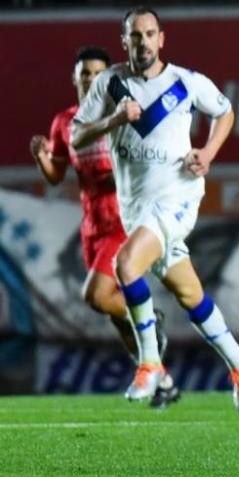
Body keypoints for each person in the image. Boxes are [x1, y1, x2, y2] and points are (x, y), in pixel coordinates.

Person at [72, 6, 239, 412]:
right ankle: (238, 359)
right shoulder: (110, 83)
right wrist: (113, 119)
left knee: (125, 265)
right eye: (134, 36)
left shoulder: (185, 83)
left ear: (161, 38)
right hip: (136, 208)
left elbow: (224, 111)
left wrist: (208, 152)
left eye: (149, 34)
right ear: (125, 42)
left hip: (178, 198)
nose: (142, 42)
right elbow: (77, 136)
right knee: (189, 294)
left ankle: (151, 364)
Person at [30, 46, 179, 408]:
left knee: (96, 297)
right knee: (119, 321)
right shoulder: (64, 123)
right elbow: (56, 176)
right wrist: (41, 157)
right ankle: (162, 381)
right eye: (84, 74)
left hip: (122, 221)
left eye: (97, 74)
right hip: (92, 226)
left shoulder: (122, 117)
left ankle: (150, 316)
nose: (90, 80)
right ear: (74, 79)